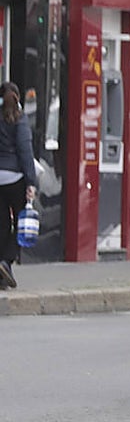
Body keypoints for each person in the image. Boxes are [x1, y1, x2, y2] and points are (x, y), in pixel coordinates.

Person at [0, 81, 37, 289]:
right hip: (14, 178)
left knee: (2, 224)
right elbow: (25, 151)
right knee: (22, 223)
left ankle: (2, 273)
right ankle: (7, 260)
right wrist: (31, 181)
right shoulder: (19, 119)